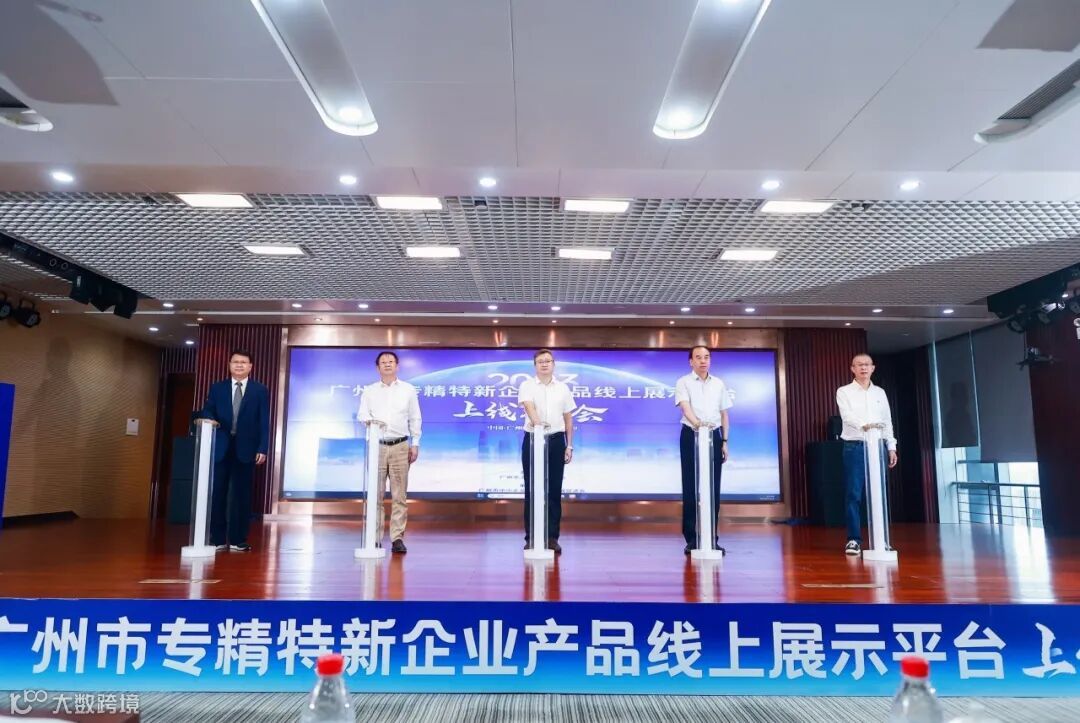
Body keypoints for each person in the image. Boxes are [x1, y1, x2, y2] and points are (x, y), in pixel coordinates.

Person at [198, 348, 270, 552]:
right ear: (229, 365)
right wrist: (208, 418)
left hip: (246, 449)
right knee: (218, 493)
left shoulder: (260, 390)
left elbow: (264, 421)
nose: (239, 365)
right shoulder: (217, 388)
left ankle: (238, 539)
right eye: (235, 362)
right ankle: (218, 539)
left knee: (241, 494)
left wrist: (263, 447)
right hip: (221, 446)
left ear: (250, 366)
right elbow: (208, 410)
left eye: (243, 362)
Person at [357, 351, 422, 554]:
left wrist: (415, 443)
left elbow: (415, 417)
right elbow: (362, 415)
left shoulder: (408, 390)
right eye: (383, 362)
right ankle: (374, 538)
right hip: (377, 446)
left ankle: (397, 538)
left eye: (391, 361)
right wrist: (371, 422)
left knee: (399, 495)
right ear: (378, 367)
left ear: (397, 366)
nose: (387, 364)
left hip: (400, 445)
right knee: (375, 495)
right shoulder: (369, 391)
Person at [836, 353, 898, 556]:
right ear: (852, 369)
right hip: (855, 446)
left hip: (877, 446)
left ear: (873, 368)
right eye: (859, 365)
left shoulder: (880, 393)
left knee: (878, 493)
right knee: (854, 493)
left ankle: (881, 540)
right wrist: (867, 426)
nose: (863, 368)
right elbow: (847, 416)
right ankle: (854, 539)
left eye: (867, 364)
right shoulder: (844, 391)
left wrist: (891, 446)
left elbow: (887, 421)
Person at [674, 345, 732, 555]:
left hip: (713, 436)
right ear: (691, 361)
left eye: (706, 357)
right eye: (698, 357)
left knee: (713, 488)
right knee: (690, 486)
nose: (703, 361)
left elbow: (724, 414)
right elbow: (685, 407)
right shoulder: (683, 382)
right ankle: (692, 539)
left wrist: (724, 441)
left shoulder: (719, 383)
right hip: (691, 434)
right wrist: (699, 425)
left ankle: (711, 539)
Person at [518, 348, 575, 554]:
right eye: (540, 361)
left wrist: (569, 445)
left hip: (557, 440)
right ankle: (531, 538)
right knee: (532, 489)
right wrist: (538, 425)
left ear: (553, 364)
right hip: (533, 439)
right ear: (535, 365)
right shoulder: (527, 385)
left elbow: (568, 418)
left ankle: (552, 537)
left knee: (554, 490)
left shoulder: (563, 388)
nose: (544, 364)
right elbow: (529, 407)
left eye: (548, 361)